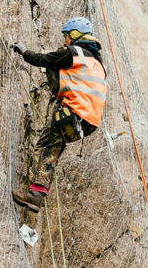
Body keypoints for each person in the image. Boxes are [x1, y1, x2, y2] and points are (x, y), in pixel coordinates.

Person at [11, 17, 107, 212]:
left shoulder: (73, 52)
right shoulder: (98, 63)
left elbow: (43, 60)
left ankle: (35, 195)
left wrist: (23, 52)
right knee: (54, 146)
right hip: (89, 122)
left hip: (73, 111)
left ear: (73, 35)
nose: (64, 41)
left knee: (45, 145)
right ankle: (37, 195)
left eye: (66, 36)